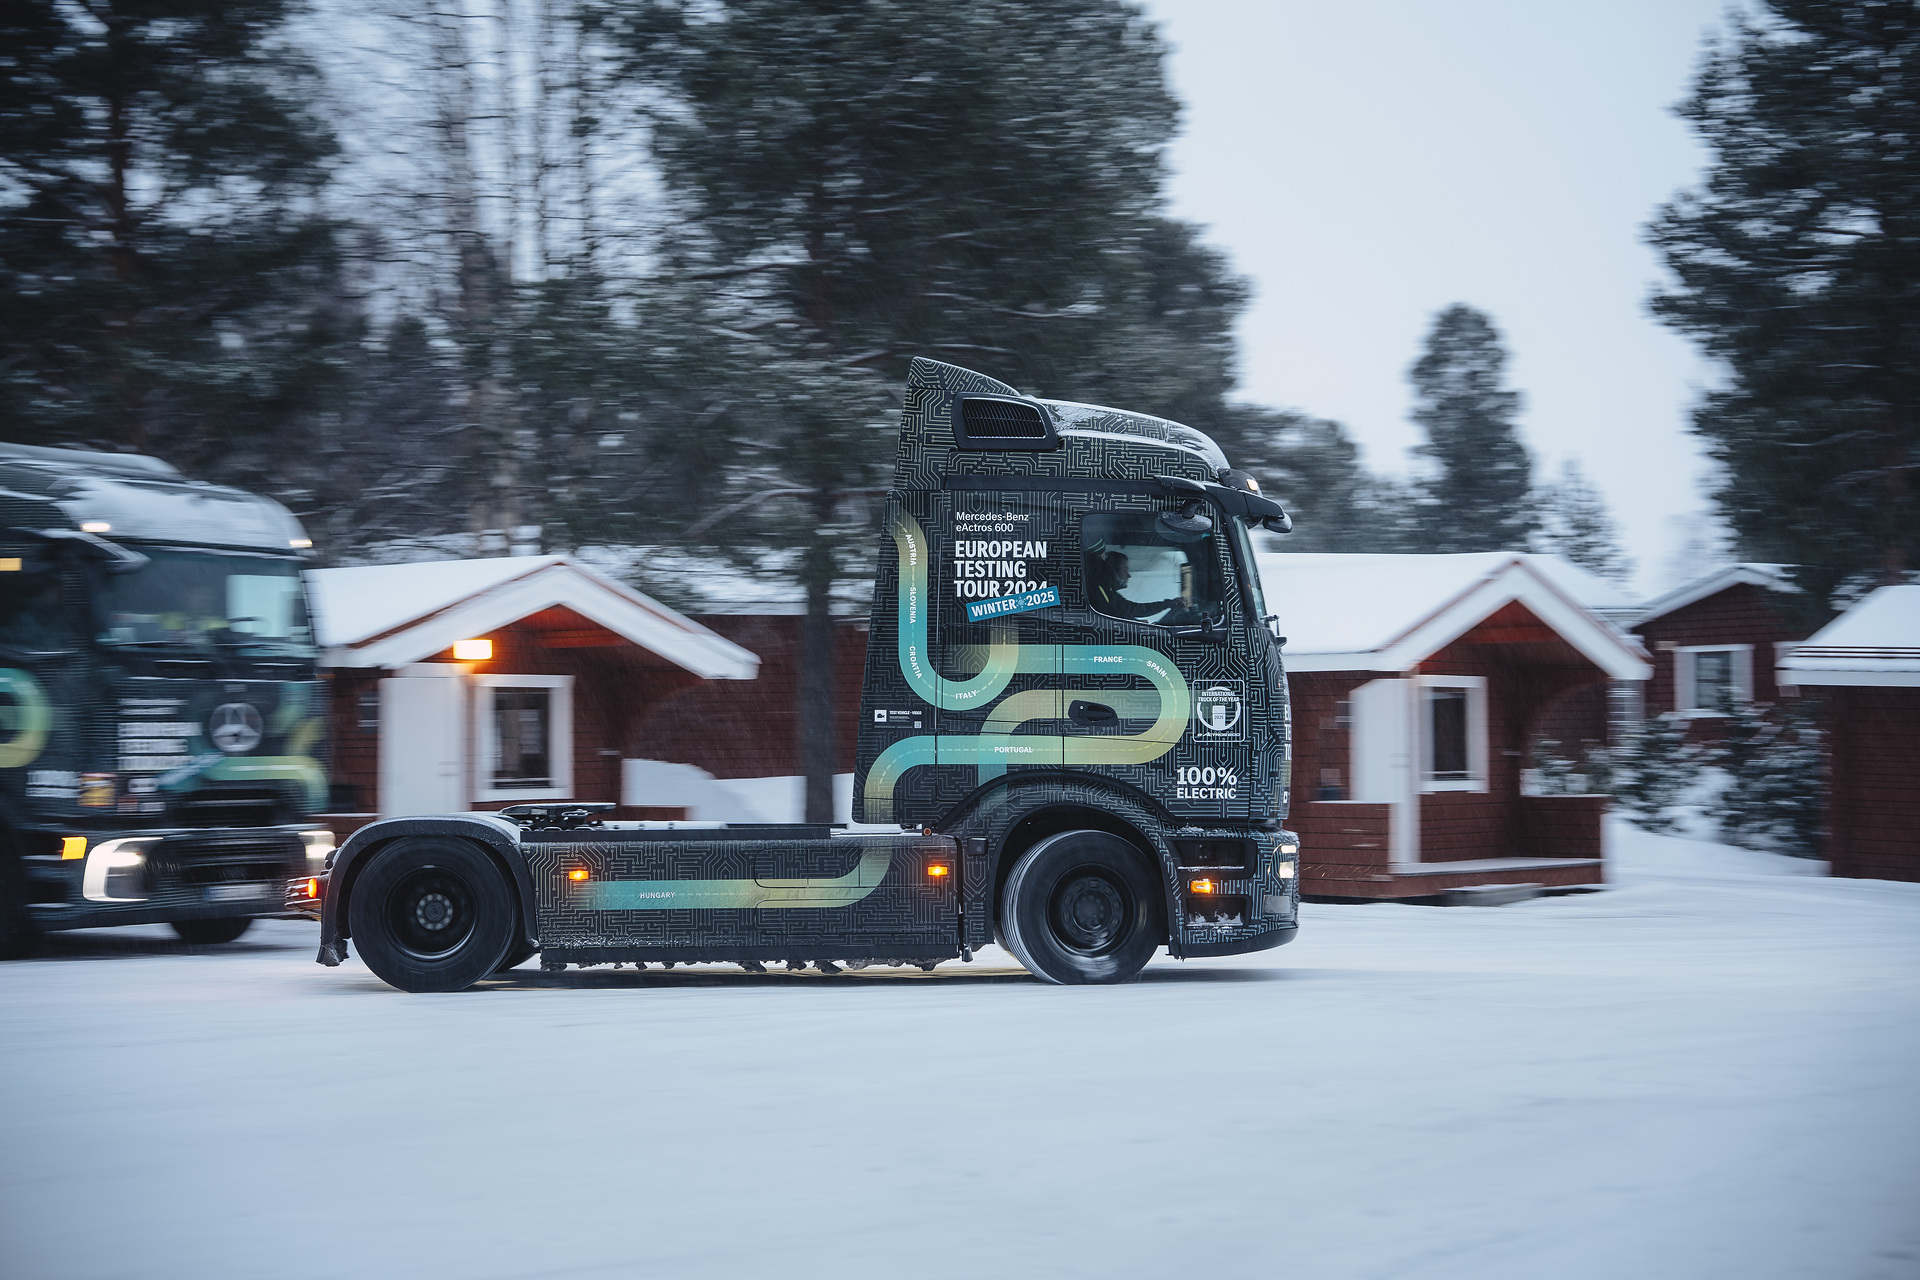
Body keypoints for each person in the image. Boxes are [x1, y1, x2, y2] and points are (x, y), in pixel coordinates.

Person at [1087, 550, 1181, 623]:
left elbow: (1131, 609)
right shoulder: (1099, 590)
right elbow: (1112, 613)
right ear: (1113, 570)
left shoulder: (1108, 592)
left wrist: (1168, 604)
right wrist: (1136, 623)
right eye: (1125, 570)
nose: (1128, 575)